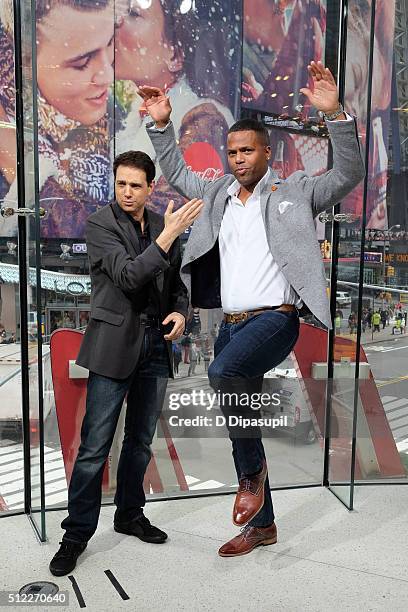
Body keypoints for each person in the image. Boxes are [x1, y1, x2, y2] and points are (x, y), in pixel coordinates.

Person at [140, 60, 365, 557]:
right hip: (231, 324)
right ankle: (262, 524)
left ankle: (250, 479)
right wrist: (160, 125)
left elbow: (349, 172)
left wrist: (336, 117)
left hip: (276, 319)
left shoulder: (297, 192)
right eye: (232, 152)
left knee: (221, 372)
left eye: (247, 151)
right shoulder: (218, 193)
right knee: (241, 419)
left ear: (267, 152)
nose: (238, 159)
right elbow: (176, 173)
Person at [49, 150, 202, 576]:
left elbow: (175, 285)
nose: (128, 192)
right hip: (114, 345)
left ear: (150, 187)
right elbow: (131, 276)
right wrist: (168, 237)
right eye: (121, 184)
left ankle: (129, 513)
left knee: (139, 442)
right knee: (95, 446)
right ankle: (75, 535)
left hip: (156, 345)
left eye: (136, 185)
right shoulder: (101, 225)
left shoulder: (160, 224)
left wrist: (180, 312)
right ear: (113, 184)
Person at [0, 0, 114, 238]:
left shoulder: (121, 120)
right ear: (26, 63)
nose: (107, 76)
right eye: (82, 62)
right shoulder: (11, 132)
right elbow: (71, 231)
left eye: (110, 44)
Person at [114, 0, 236, 214]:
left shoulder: (204, 119)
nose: (117, 23)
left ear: (175, 55)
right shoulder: (133, 116)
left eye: (133, 14)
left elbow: (181, 212)